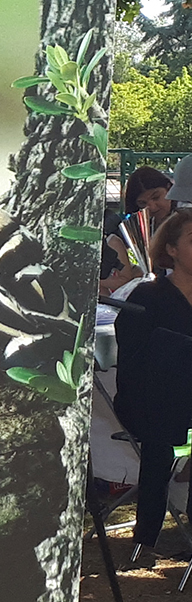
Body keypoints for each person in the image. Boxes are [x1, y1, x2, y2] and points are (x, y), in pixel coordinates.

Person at [115, 211, 192, 565]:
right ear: (172, 250)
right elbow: (135, 360)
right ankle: (146, 538)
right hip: (157, 401)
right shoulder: (148, 295)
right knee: (161, 433)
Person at [102, 165, 174, 296]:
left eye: (156, 197)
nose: (151, 206)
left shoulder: (184, 219)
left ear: (169, 188)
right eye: (143, 203)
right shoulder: (140, 225)